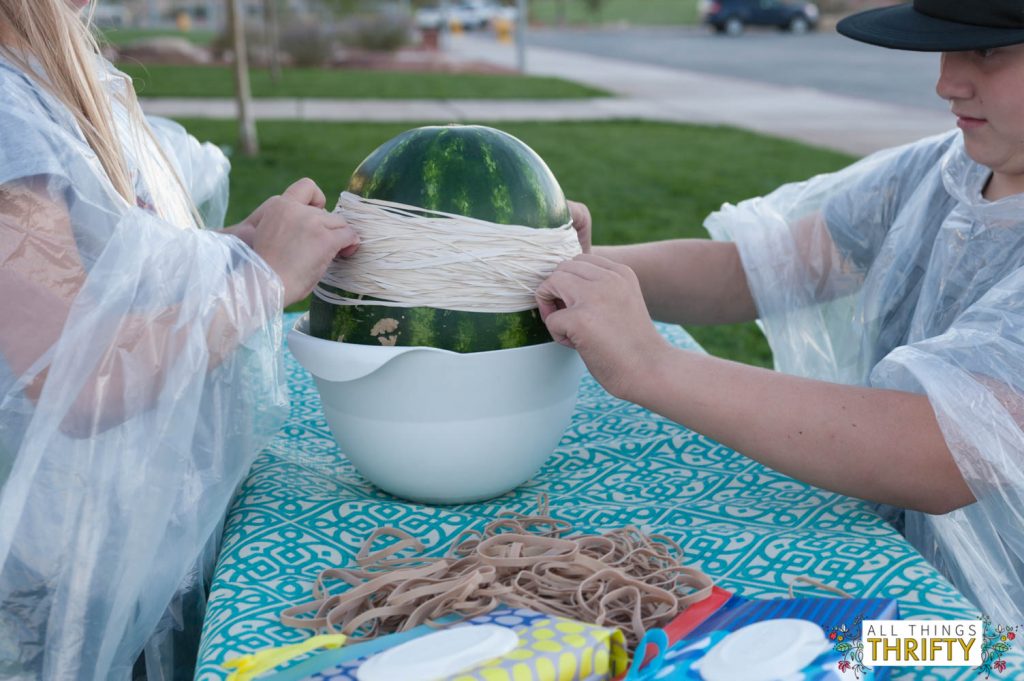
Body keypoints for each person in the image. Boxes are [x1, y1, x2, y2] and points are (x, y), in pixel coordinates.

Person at [537, 1, 1024, 623]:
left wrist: (651, 366)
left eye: (986, 51)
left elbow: (944, 451)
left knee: (799, 652)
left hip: (999, 641)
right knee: (704, 637)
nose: (945, 81)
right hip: (917, 578)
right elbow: (761, 269)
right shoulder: (948, 169)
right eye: (945, 46)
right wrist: (573, 266)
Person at [0, 1, 359, 678]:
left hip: (133, 534)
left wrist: (232, 250)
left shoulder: (46, 76)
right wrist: (262, 283)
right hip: (68, 568)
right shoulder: (7, 112)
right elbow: (69, 377)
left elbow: (105, 271)